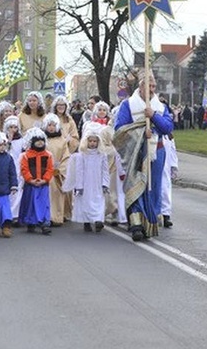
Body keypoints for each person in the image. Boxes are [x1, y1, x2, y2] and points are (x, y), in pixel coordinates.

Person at [114, 74, 174, 241]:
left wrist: (153, 115)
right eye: (147, 87)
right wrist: (141, 132)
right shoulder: (128, 105)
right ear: (140, 87)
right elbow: (121, 129)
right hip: (136, 152)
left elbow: (168, 127)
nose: (151, 90)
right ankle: (135, 223)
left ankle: (150, 220)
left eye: (153, 87)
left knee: (153, 186)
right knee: (136, 185)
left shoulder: (160, 107)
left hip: (156, 151)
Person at [64, 122, 110, 233]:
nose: (92, 143)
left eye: (95, 141)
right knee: (86, 202)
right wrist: (79, 186)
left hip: (97, 184)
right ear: (86, 141)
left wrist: (105, 183)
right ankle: (87, 222)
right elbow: (79, 171)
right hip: (86, 184)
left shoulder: (102, 155)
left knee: (98, 201)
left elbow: (105, 170)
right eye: (90, 141)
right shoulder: (81, 155)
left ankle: (98, 220)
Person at [18, 127, 54, 235]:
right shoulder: (26, 155)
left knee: (44, 204)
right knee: (31, 204)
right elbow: (24, 169)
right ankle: (31, 222)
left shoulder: (48, 155)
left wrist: (45, 179)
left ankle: (45, 223)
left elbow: (50, 169)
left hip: (43, 184)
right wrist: (30, 179)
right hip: (31, 185)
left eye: (42, 140)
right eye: (37, 141)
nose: (40, 143)